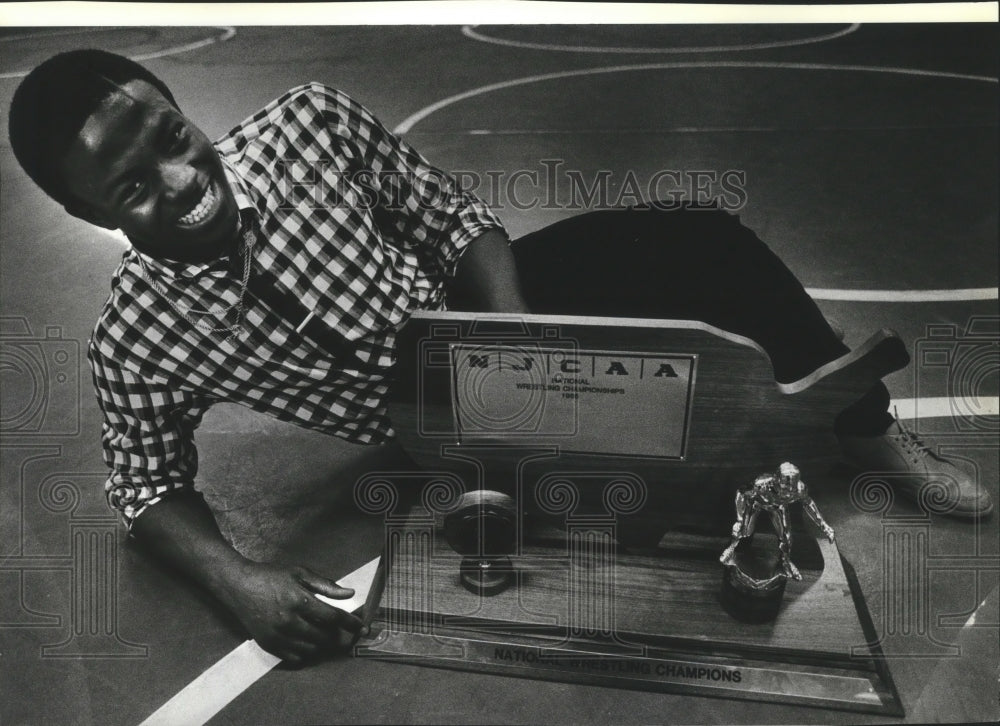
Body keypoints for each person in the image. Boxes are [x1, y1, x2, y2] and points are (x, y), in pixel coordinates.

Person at [8, 49, 991, 664]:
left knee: (701, 240)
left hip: (483, 311)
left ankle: (871, 438)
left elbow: (453, 221)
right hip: (421, 433)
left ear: (182, 110)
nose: (184, 183)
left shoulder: (308, 122)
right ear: (84, 214)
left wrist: (515, 337)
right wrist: (242, 582)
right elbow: (144, 493)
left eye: (175, 137)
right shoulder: (133, 339)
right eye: (134, 189)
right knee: (639, 504)